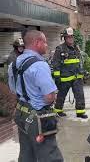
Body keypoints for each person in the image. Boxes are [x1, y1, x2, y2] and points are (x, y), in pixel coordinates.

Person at [8, 30, 63, 162]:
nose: (47, 45)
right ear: (37, 42)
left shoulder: (14, 64)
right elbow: (49, 96)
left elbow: (13, 90)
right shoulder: (40, 65)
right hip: (37, 119)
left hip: (21, 114)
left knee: (27, 154)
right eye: (45, 42)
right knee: (50, 155)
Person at [52, 27, 88, 118]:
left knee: (80, 95)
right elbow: (56, 64)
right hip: (65, 77)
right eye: (68, 37)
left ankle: (80, 112)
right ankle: (58, 111)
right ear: (64, 38)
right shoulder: (59, 49)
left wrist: (83, 72)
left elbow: (80, 61)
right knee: (61, 95)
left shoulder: (76, 48)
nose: (70, 38)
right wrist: (57, 78)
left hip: (77, 76)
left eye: (72, 37)